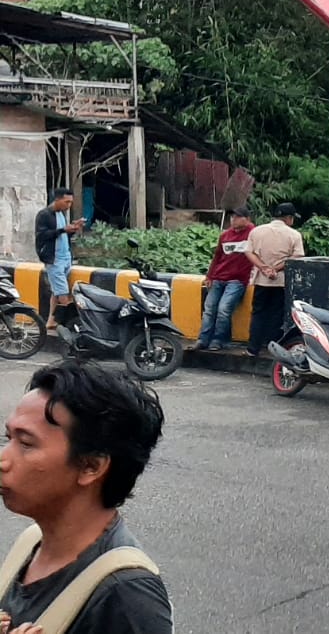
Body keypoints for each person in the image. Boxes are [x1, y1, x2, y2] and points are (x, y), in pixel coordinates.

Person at [0, 361, 171, 633]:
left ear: (91, 466)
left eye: (26, 443)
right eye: (7, 437)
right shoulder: (31, 542)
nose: (4, 459)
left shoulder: (127, 596)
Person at [245, 203, 304, 357]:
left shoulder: (256, 231)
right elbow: (297, 257)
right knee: (276, 314)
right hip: (280, 281)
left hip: (261, 280)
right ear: (289, 218)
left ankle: (253, 348)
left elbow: (249, 253)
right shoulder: (294, 235)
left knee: (258, 312)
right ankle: (271, 347)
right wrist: (275, 269)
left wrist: (263, 268)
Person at [196, 208, 255, 352]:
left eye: (237, 217)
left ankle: (219, 339)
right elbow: (217, 257)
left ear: (246, 219)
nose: (233, 220)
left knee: (224, 309)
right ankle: (203, 339)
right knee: (209, 308)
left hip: (237, 280)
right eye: (232, 217)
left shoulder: (253, 234)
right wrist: (209, 276)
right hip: (219, 277)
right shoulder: (225, 235)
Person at [34, 189, 84, 331]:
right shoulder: (44, 215)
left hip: (66, 256)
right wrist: (63, 230)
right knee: (63, 294)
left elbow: (62, 235)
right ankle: (72, 323)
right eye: (66, 201)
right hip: (54, 259)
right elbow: (42, 235)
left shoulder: (61, 214)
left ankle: (51, 321)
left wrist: (73, 229)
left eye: (70, 202)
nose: (69, 205)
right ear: (57, 200)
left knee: (57, 292)